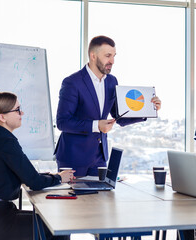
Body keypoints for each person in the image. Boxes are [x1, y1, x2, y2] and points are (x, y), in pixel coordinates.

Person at [0, 92, 74, 240]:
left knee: (51, 222)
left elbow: (27, 175)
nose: (22, 113)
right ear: (2, 117)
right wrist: (59, 178)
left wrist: (55, 177)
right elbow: (34, 182)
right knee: (59, 227)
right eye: (17, 109)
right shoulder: (5, 142)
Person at [54, 35, 161, 176]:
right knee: (78, 198)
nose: (112, 61)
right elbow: (63, 122)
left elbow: (119, 117)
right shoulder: (72, 82)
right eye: (108, 56)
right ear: (93, 56)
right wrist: (96, 125)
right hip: (73, 157)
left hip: (99, 157)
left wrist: (148, 109)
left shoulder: (112, 81)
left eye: (114, 56)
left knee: (102, 197)